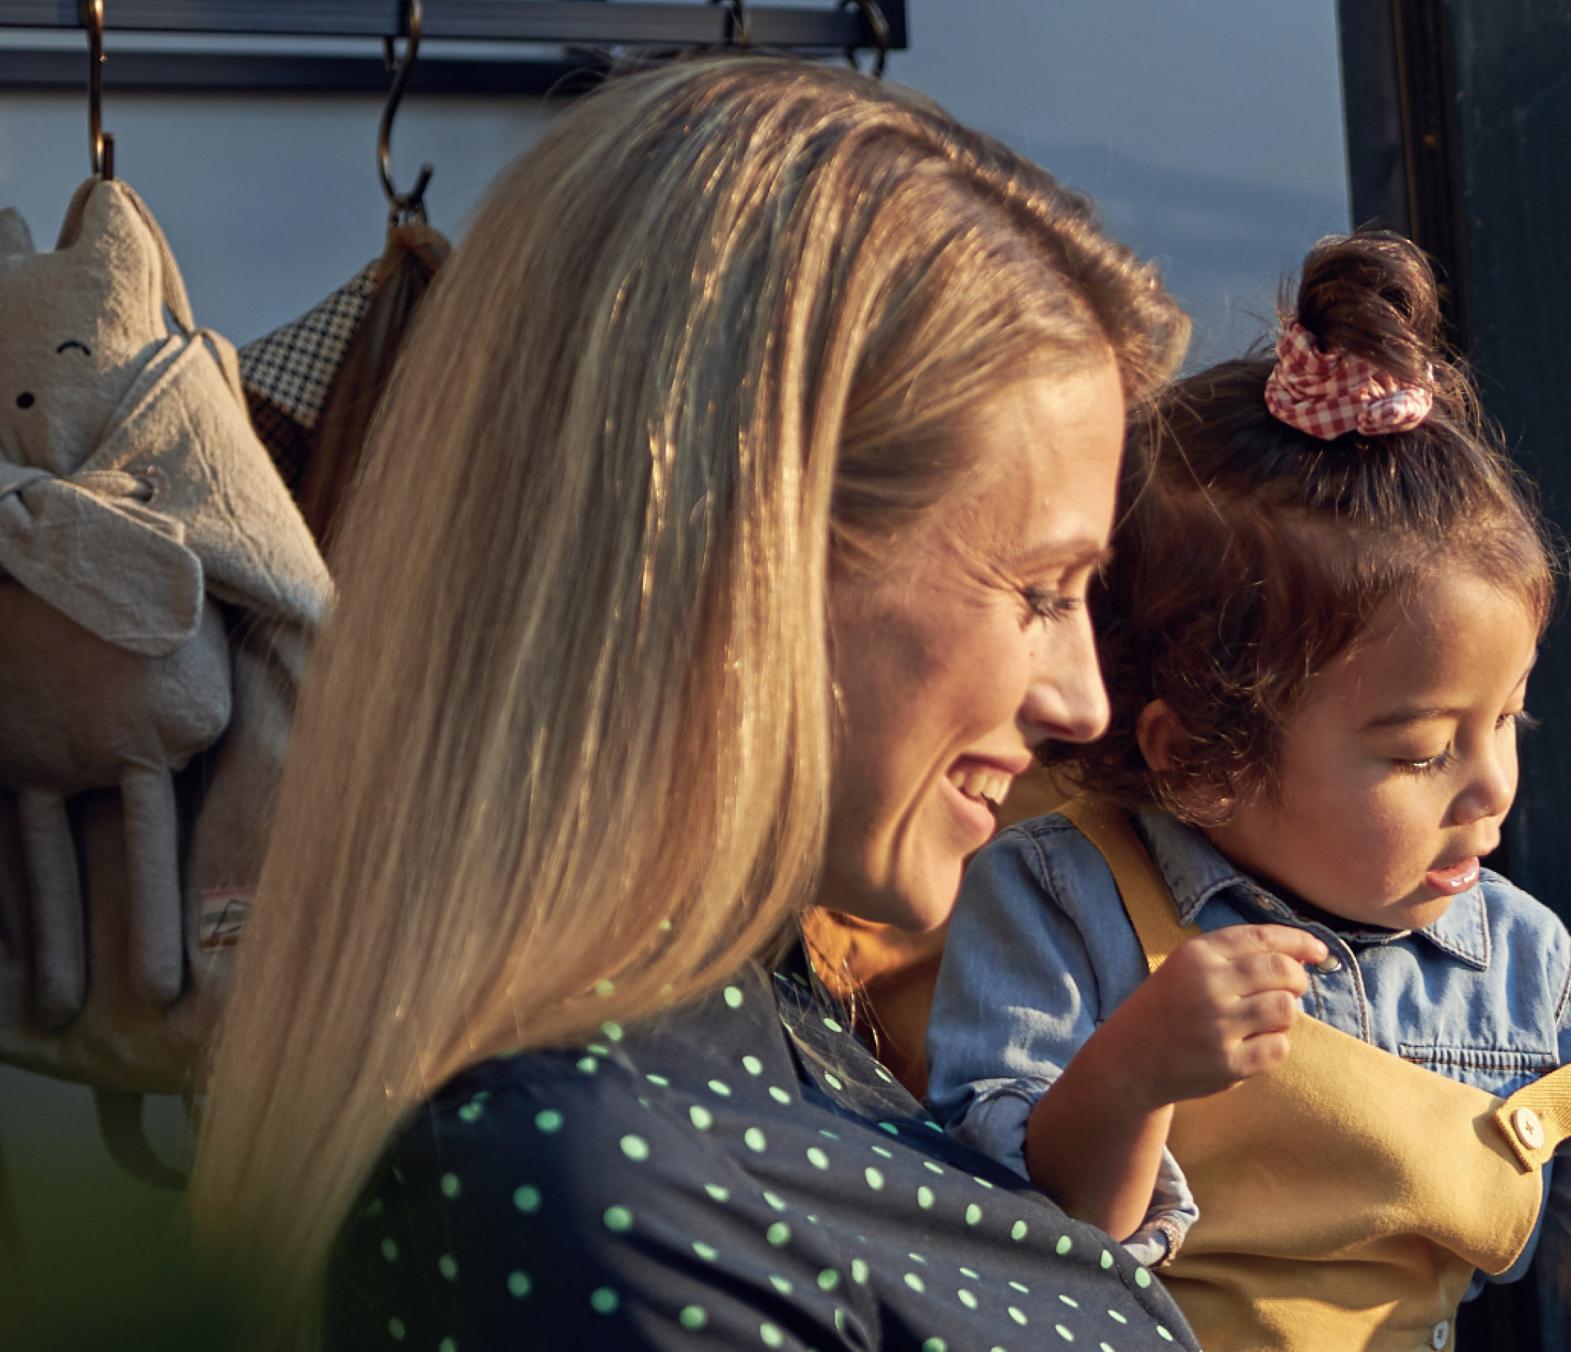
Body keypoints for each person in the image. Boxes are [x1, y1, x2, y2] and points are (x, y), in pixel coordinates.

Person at [189, 55, 1197, 1351]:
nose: (1084, 701)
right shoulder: (581, 1184)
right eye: (1040, 588)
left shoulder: (739, 1052)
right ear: (746, 564)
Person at [923, 232, 1571, 1352]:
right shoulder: (1056, 900)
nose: (1491, 785)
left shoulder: (1525, 974)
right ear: (1196, 749)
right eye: (1416, 752)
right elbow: (1012, 1266)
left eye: (1508, 718)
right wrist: (1134, 1068)